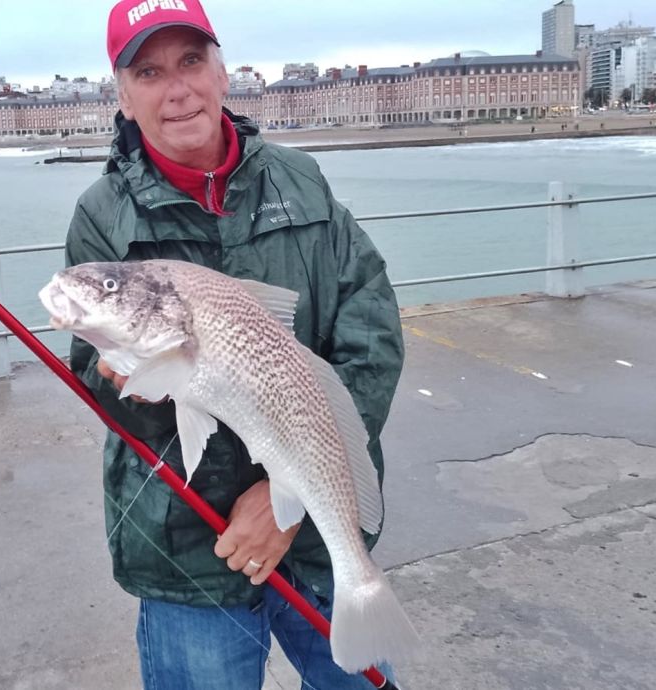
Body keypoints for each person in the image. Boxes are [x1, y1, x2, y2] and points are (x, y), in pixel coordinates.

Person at [64, 1, 404, 687]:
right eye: (150, 71)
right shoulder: (100, 219)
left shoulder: (301, 182)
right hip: (187, 544)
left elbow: (372, 334)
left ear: (224, 73)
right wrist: (123, 372)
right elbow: (101, 386)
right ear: (123, 97)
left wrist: (288, 498)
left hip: (312, 534)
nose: (178, 88)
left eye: (192, 61)